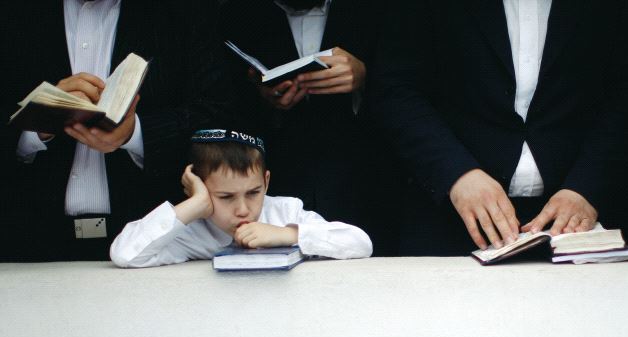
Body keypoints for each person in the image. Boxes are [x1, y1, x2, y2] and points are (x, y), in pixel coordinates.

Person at [369, 1, 628, 255]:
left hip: (582, 221)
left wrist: (587, 187)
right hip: (449, 216)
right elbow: (397, 88)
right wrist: (457, 175)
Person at [2, 0, 232, 262]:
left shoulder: (181, 12)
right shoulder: (13, 14)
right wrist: (37, 124)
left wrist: (136, 134)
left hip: (152, 242)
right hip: (27, 242)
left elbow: (220, 117)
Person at [219, 0, 399, 255]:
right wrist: (261, 97)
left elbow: (408, 85)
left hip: (366, 183)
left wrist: (363, 78)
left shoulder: (375, 10)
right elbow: (221, 98)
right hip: (278, 182)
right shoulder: (238, 14)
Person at [110, 129, 372, 267]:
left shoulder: (285, 213)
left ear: (266, 181)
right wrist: (193, 206)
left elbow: (360, 244)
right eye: (225, 197)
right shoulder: (189, 232)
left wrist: (288, 236)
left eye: (254, 192)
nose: (243, 209)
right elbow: (126, 255)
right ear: (197, 188)